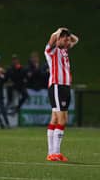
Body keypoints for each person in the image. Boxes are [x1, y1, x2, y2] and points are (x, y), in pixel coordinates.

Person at [45, 27, 79, 162]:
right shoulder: (51, 51)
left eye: (66, 38)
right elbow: (52, 40)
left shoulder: (64, 49)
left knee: (54, 119)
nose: (66, 39)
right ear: (58, 39)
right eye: (63, 37)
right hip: (57, 86)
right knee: (62, 120)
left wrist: (68, 35)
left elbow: (76, 40)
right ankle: (56, 152)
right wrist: (58, 32)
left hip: (65, 87)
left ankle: (51, 153)